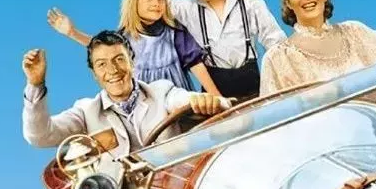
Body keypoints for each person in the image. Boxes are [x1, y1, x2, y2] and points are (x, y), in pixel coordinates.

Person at [107, 0, 285, 101]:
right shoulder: (189, 9)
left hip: (255, 90)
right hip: (214, 97)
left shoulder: (250, 4)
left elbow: (276, 43)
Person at [21, 30, 230, 158]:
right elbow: (40, 136)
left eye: (119, 59)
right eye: (102, 64)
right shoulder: (85, 112)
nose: (113, 70)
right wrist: (35, 84)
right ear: (94, 74)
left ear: (132, 62)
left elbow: (186, 100)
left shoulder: (162, 91)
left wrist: (204, 101)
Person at [46, 0, 222, 96]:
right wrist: (72, 33)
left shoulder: (174, 32)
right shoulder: (125, 38)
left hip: (180, 105)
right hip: (144, 110)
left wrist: (216, 97)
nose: (156, 3)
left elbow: (196, 65)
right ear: (133, 2)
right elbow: (102, 46)